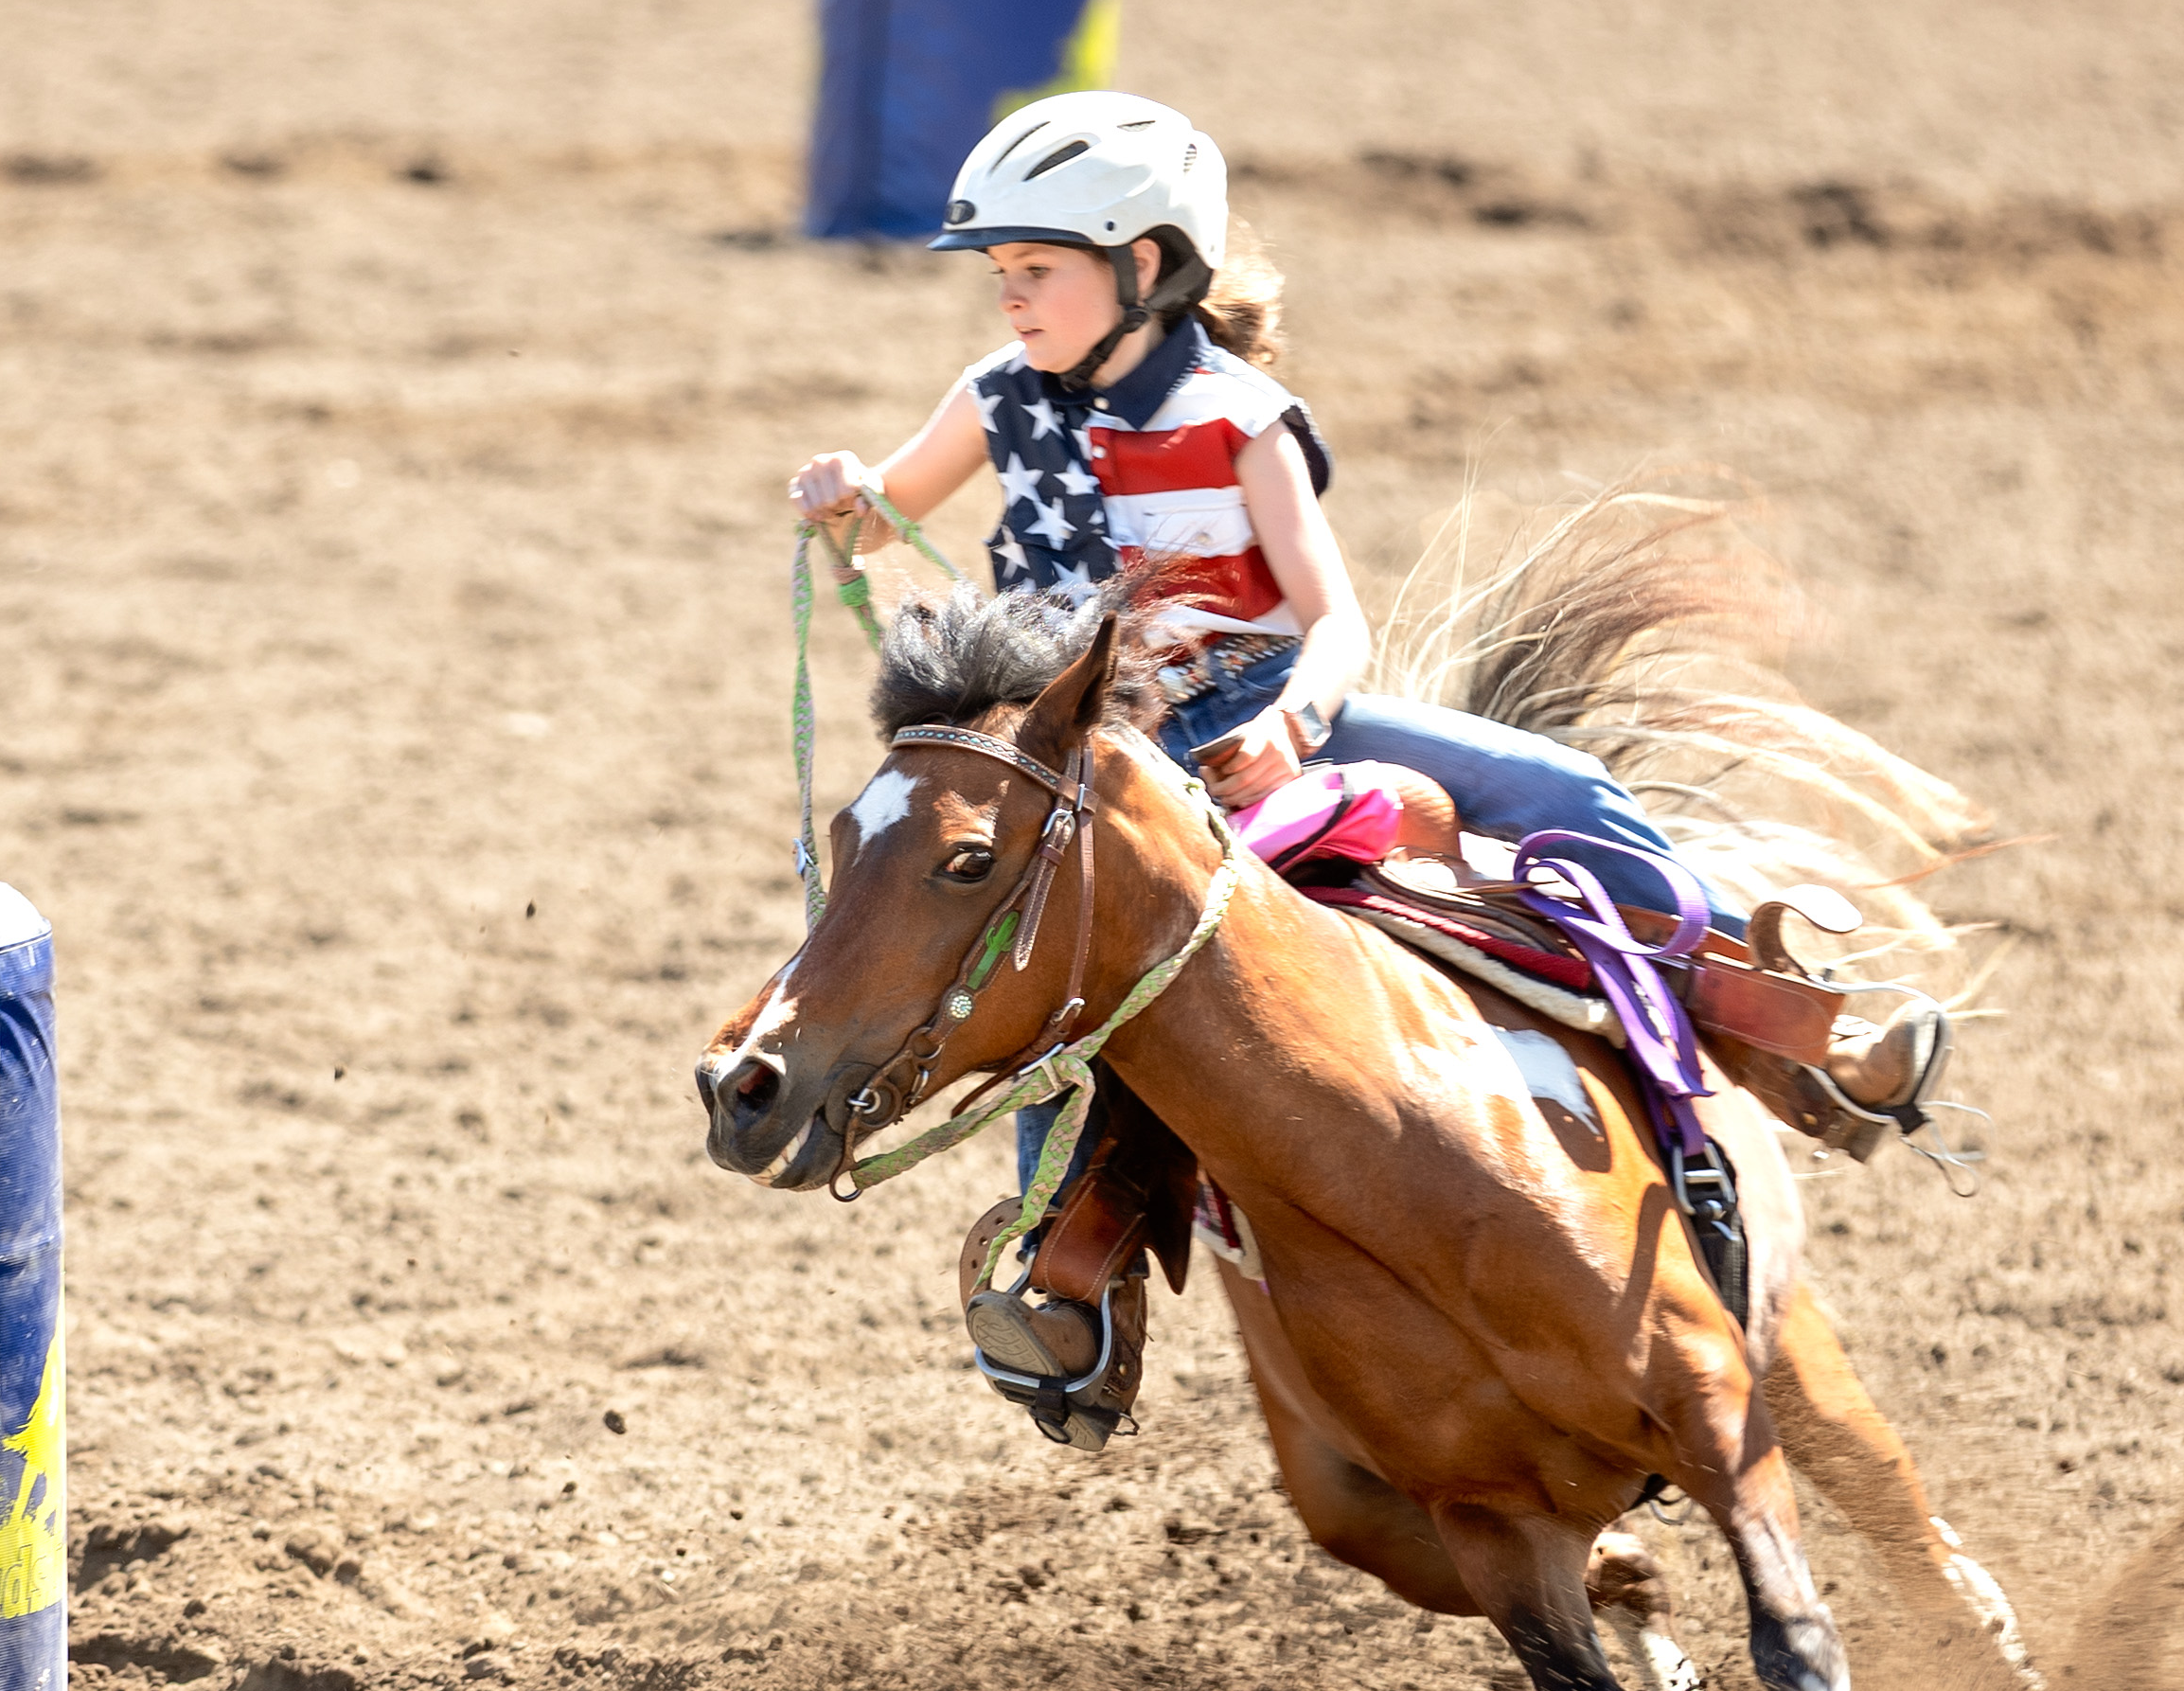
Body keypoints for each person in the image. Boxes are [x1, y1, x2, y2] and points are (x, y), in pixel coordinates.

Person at [785, 89, 1950, 1447]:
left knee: (1560, 792)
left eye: (1037, 271)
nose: (1011, 299)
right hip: (1097, 776)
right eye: (1002, 274)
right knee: (1060, 1015)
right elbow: (888, 513)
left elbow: (1332, 617)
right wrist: (842, 501)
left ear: (1146, 267)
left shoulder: (1241, 418)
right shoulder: (992, 400)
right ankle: (1069, 1289)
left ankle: (1787, 1025)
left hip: (1276, 709)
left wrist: (1295, 719)